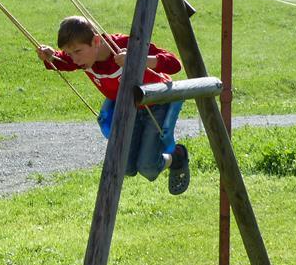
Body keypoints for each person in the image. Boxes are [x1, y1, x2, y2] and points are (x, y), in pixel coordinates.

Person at [36, 15, 190, 194]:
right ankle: (153, 151)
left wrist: (138, 59)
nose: (74, 59)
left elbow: (174, 64)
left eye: (77, 51)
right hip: (128, 107)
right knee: (125, 166)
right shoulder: (84, 57)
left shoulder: (123, 45)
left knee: (147, 167)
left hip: (156, 104)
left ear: (96, 41)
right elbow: (63, 61)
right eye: (70, 54)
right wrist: (51, 56)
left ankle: (177, 156)